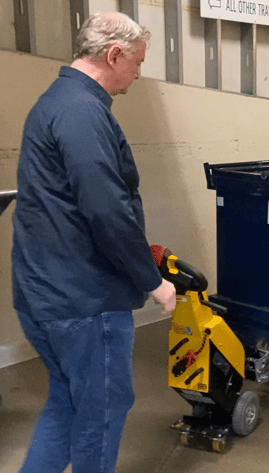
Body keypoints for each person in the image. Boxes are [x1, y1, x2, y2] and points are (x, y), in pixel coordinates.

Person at [11, 11, 176, 473]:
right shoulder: (83, 111)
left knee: (67, 403)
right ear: (114, 54)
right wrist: (153, 280)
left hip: (43, 293)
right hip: (84, 303)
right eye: (137, 63)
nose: (138, 74)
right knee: (100, 415)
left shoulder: (55, 101)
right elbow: (106, 210)